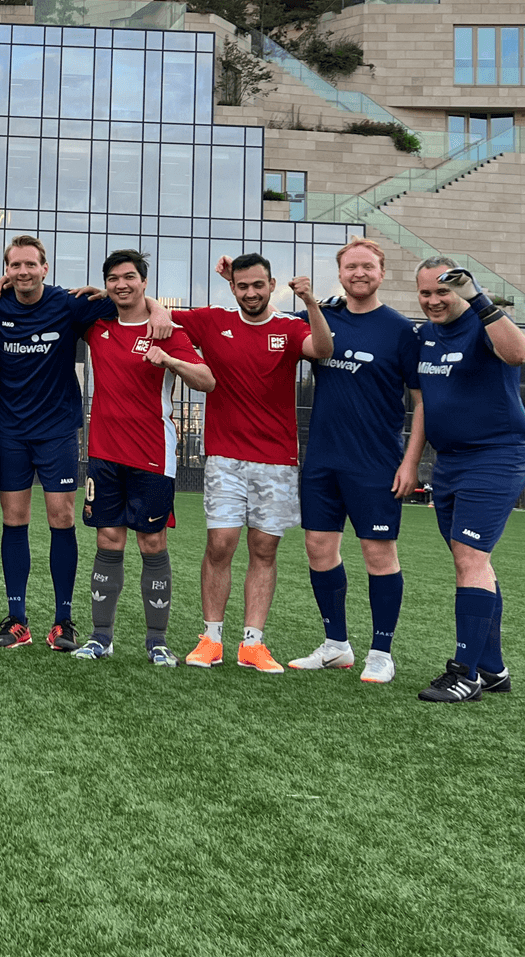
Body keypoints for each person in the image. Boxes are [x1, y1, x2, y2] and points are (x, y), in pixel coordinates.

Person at [0, 236, 170, 653]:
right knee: (15, 519)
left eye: (30, 265)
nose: (23, 272)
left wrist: (159, 308)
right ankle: (18, 620)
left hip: (57, 431)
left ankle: (63, 620)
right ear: (6, 272)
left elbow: (129, 300)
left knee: (61, 518)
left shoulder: (68, 304)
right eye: (15, 266)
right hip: (9, 432)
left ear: (44, 268)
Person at [174, 253, 333, 674]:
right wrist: (102, 296)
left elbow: (323, 348)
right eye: (242, 286)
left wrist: (312, 302)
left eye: (258, 285)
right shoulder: (211, 320)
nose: (250, 293)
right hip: (224, 457)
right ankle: (210, 638)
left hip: (277, 460)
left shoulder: (289, 326)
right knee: (220, 544)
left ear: (272, 284)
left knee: (264, 549)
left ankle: (253, 643)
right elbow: (153, 311)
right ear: (231, 287)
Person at [289, 239, 426, 683]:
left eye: (368, 266)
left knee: (378, 554)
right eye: (351, 267)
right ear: (341, 273)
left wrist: (411, 462)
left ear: (381, 273)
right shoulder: (322, 318)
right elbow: (260, 320)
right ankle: (336, 646)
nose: (359, 273)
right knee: (318, 549)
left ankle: (381, 652)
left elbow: (421, 401)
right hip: (323, 461)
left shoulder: (401, 330)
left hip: (376, 463)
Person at [76, 251, 214, 665]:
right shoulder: (95, 324)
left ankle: (157, 641)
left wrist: (169, 357)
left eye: (130, 277)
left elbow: (206, 380)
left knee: (152, 542)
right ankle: (102, 636)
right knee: (107, 539)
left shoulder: (167, 330)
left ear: (144, 282)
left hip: (153, 454)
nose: (122, 284)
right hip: (103, 452)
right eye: (114, 279)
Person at [411, 259, 525, 703]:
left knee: (470, 559)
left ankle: (465, 674)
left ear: (460, 292)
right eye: (425, 294)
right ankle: (493, 669)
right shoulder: (422, 336)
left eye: (443, 292)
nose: (434, 301)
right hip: (449, 463)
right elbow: (423, 403)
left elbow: (519, 354)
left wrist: (480, 298)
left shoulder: (484, 322)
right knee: (471, 561)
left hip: (496, 456)